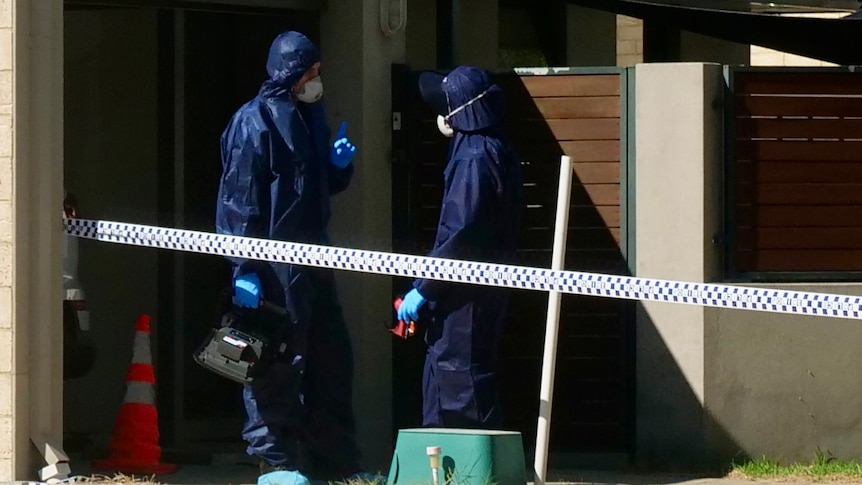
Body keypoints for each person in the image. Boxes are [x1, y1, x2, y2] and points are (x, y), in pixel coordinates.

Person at [215, 30, 372, 485]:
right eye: (309, 72)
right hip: (271, 267)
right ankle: (274, 462)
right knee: (273, 365)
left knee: (329, 360)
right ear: (290, 72)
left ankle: (337, 463)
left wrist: (338, 169)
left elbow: (313, 189)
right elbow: (238, 200)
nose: (315, 80)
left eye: (318, 72)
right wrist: (244, 268)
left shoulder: (309, 118)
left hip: (312, 260)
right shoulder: (254, 122)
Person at [396, 66, 524, 429]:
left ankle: (473, 471)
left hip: (465, 297)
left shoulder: (474, 158)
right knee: (444, 374)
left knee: (461, 379)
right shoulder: (493, 148)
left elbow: (461, 233)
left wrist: (424, 288)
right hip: (468, 292)